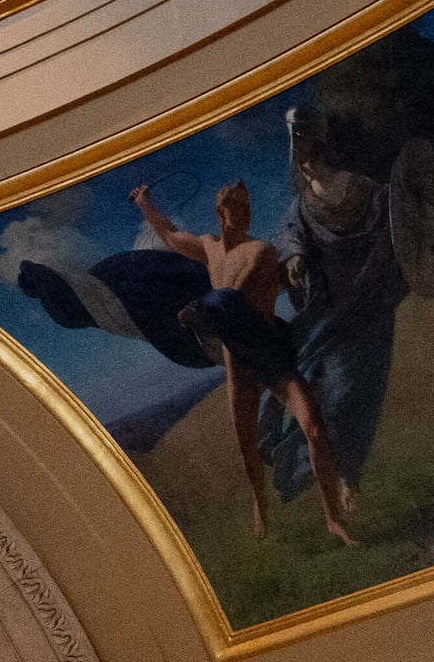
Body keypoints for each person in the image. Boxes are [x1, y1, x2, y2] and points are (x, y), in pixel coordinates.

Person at [130, 178, 357, 544]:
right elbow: (171, 236)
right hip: (238, 363)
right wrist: (144, 203)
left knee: (314, 428)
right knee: (245, 444)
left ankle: (332, 518)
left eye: (248, 205)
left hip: (269, 352)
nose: (246, 211)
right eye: (239, 205)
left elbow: (231, 300)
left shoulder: (261, 252)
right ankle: (259, 498)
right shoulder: (210, 248)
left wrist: (198, 309)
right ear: (222, 212)